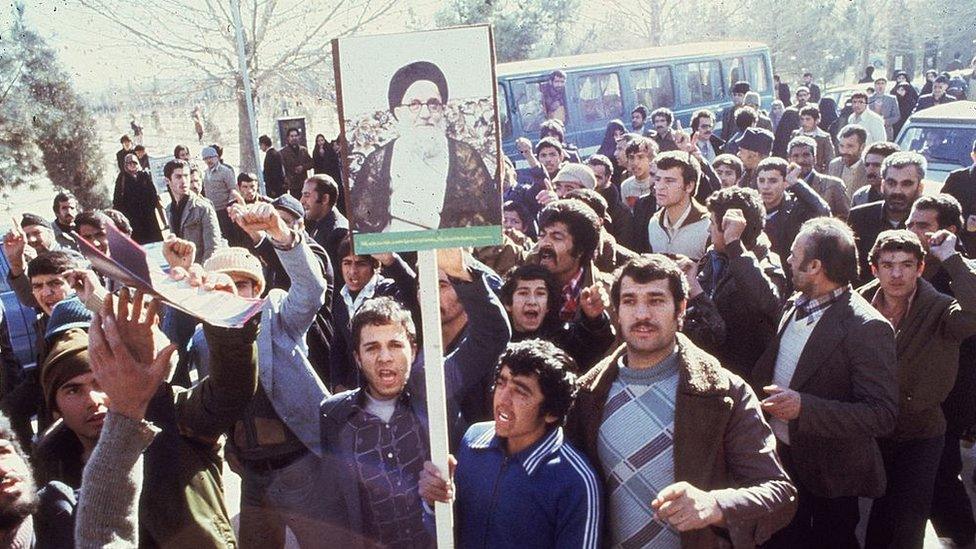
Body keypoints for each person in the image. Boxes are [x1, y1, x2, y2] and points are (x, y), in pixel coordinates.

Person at [566, 255, 797, 547]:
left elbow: (779, 493)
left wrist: (715, 505)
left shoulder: (725, 393)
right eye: (629, 301)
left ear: (681, 309)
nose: (642, 314)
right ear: (617, 311)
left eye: (656, 300)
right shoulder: (587, 395)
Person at [318, 249, 510, 546]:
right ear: (356, 357)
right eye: (372, 348)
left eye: (395, 345)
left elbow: (492, 334)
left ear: (415, 350)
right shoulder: (335, 416)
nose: (385, 358)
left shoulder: (433, 387)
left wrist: (460, 272)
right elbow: (337, 505)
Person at [78, 283, 260, 547]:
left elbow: (230, 390)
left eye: (97, 384)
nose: (92, 399)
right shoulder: (55, 456)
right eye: (74, 389)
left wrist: (223, 317)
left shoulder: (172, 411)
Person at [753, 217, 897, 549]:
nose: (788, 260)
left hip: (829, 479)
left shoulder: (867, 328)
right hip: (780, 461)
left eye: (793, 253)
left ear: (815, 265)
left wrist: (805, 407)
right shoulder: (796, 301)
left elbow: (882, 414)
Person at [196, 202, 332, 549]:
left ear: (255, 289)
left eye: (241, 284)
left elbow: (311, 291)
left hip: (300, 466)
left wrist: (282, 236)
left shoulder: (275, 314)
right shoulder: (202, 337)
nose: (231, 292)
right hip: (252, 474)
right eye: (221, 285)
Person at [418, 339, 601, 548]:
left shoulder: (576, 480)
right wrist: (434, 503)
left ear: (551, 412)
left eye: (520, 391)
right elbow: (449, 533)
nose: (502, 398)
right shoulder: (473, 441)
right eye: (501, 382)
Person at [857, 229, 976, 548]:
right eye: (888, 264)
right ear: (875, 269)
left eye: (907, 264)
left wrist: (952, 260)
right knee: (874, 518)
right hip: (872, 432)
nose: (897, 274)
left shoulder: (940, 309)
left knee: (907, 523)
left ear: (921, 268)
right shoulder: (859, 302)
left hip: (921, 434)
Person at [351, 61, 499, 234]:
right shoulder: (378, 161)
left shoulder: (465, 156)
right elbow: (362, 221)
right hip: (395, 252)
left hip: (452, 250)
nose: (426, 114)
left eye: (433, 104)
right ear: (398, 113)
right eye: (414, 104)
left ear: (442, 109)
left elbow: (488, 218)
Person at [906, 195, 976, 547]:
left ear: (947, 232)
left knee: (943, 476)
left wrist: (951, 260)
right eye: (910, 224)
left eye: (923, 226)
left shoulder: (963, 270)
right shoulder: (908, 265)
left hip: (955, 394)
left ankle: (962, 538)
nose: (913, 232)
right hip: (914, 393)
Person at [697, 186, 787, 377]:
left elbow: (768, 302)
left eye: (713, 223)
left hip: (743, 374)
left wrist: (734, 246)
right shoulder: (714, 256)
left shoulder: (767, 264)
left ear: (731, 228)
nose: (708, 229)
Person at [329, 237, 416, 391]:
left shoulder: (389, 291)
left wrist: (393, 261)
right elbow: (338, 347)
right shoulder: (341, 300)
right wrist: (338, 385)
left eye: (360, 264)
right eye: (347, 263)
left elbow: (413, 290)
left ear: (374, 265)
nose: (352, 271)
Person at [500, 264, 613, 371]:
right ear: (508, 303)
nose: (532, 302)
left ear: (548, 305)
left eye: (540, 293)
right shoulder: (494, 337)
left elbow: (595, 345)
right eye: (523, 293)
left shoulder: (562, 338)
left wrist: (594, 320)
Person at [848, 151, 926, 284]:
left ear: (920, 187)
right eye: (891, 183)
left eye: (906, 184)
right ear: (883, 185)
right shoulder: (859, 217)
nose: (897, 191)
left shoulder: (928, 221)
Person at [533, 199, 611, 322]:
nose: (545, 243)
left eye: (557, 237)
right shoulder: (521, 282)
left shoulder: (608, 294)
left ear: (580, 249)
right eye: (542, 235)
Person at [635, 151, 710, 261]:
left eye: (669, 181)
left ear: (689, 186)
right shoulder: (654, 223)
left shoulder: (708, 227)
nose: (659, 187)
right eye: (657, 179)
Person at [756, 157, 830, 265]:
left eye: (773, 181)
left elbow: (823, 213)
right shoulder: (752, 207)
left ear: (785, 183)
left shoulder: (797, 209)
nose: (766, 187)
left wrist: (796, 184)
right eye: (761, 181)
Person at [163, 159, 222, 263]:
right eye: (178, 176)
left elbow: (213, 248)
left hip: (201, 269)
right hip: (183, 269)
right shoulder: (169, 210)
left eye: (186, 176)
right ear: (167, 181)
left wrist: (201, 273)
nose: (184, 180)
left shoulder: (203, 208)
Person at [787, 135, 848, 219]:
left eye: (806, 155)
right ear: (789, 160)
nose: (801, 160)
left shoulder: (833, 185)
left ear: (814, 159)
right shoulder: (783, 186)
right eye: (796, 156)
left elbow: (845, 219)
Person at [301, 174, 349, 277]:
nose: (302, 201)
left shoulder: (338, 232)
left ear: (325, 199)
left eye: (307, 195)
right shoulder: (320, 223)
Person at [112, 153, 164, 245]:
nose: (132, 165)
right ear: (125, 165)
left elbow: (152, 192)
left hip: (148, 216)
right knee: (138, 243)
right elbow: (117, 198)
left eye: (134, 163)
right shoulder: (122, 178)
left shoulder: (144, 175)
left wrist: (151, 206)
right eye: (129, 163)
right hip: (132, 217)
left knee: (155, 241)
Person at [941, 139, 976, 253]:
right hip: (960, 246)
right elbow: (941, 211)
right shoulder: (957, 179)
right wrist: (965, 221)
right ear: (973, 156)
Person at [200, 146, 238, 239]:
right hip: (213, 210)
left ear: (217, 157)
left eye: (211, 157)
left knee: (230, 236)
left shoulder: (226, 171)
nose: (209, 160)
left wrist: (229, 207)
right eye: (206, 158)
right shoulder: (205, 173)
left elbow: (233, 190)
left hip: (225, 211)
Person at [852, 141, 901, 207]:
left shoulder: (903, 196)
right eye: (867, 165)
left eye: (876, 165)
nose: (870, 169)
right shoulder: (859, 197)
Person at [828, 124, 869, 199]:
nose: (844, 151)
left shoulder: (869, 169)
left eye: (850, 146)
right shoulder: (834, 165)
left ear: (862, 147)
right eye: (841, 146)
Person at [792, 105, 834, 174]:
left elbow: (830, 160)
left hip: (816, 174)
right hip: (797, 173)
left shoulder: (823, 137)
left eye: (808, 119)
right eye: (802, 119)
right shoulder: (795, 134)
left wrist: (823, 176)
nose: (804, 123)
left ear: (816, 120)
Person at [619, 136, 657, 210]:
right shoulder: (626, 186)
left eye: (640, 157)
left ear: (651, 159)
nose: (635, 163)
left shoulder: (657, 183)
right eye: (631, 157)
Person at [279, 127, 314, 200]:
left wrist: (303, 167)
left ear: (299, 137)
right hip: (293, 185)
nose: (294, 138)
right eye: (292, 136)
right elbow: (282, 168)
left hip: (304, 183)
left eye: (295, 136)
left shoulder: (303, 150)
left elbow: (311, 163)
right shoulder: (283, 152)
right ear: (288, 138)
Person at [260, 134, 286, 199]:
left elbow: (274, 173)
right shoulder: (274, 153)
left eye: (260, 145)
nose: (260, 148)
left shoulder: (271, 155)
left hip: (275, 188)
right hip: (278, 186)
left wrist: (273, 189)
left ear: (264, 144)